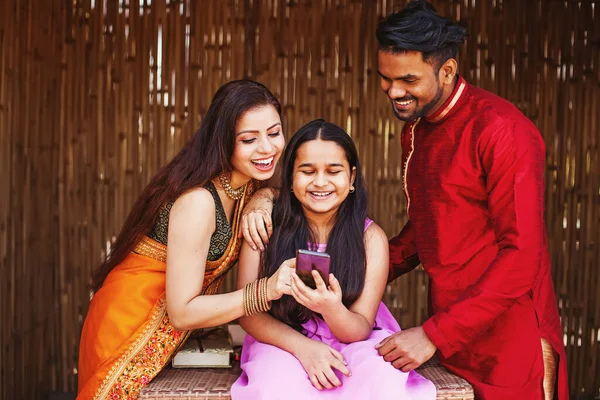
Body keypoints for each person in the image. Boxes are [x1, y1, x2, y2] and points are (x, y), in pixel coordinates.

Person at [240, 2, 568, 399]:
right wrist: (271, 200)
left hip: (506, 334)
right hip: (448, 325)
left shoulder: (503, 131)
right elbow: (428, 231)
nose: (394, 91)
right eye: (386, 78)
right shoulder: (417, 132)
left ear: (446, 70)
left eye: (408, 79)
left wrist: (434, 333)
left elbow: (522, 256)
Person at [76, 80, 291, 400]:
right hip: (129, 326)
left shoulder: (244, 184)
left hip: (169, 330)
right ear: (223, 141)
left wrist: (263, 197)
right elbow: (182, 311)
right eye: (249, 139)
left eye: (274, 133)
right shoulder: (199, 202)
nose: (267, 148)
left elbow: (276, 190)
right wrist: (265, 290)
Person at [231, 120, 436, 400]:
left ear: (351, 178)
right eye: (307, 171)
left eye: (333, 171)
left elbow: (360, 328)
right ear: (290, 177)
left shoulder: (370, 238)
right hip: (281, 339)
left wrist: (331, 309)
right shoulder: (265, 228)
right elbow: (248, 312)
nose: (320, 181)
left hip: (353, 338)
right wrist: (304, 348)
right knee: (275, 387)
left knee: (380, 378)